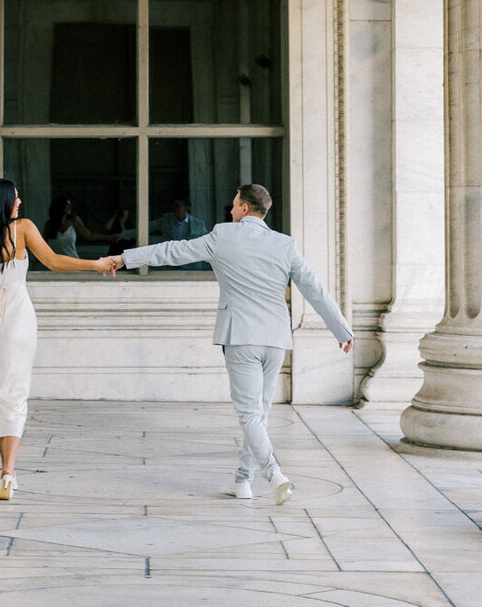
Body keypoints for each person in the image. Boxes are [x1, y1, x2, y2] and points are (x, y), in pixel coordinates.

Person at [111, 182, 352, 505]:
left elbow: (171, 251)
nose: (230, 209)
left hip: (241, 337)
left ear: (245, 209)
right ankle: (243, 480)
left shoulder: (222, 236)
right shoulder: (284, 244)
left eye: (234, 204)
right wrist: (342, 330)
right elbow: (315, 288)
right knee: (260, 414)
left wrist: (124, 258)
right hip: (276, 338)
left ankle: (275, 474)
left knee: (250, 415)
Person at [0, 177, 113, 500]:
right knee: (16, 393)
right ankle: (8, 473)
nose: (19, 202)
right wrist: (95, 263)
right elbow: (55, 261)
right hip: (18, 319)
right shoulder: (23, 229)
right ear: (3, 202)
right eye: (15, 198)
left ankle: (5, 471)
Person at [43, 193, 98, 258]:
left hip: (74, 262)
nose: (70, 207)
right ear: (60, 206)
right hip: (57, 265)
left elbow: (88, 235)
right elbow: (42, 246)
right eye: (67, 204)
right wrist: (34, 264)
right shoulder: (49, 225)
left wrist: (109, 237)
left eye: (70, 205)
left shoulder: (74, 221)